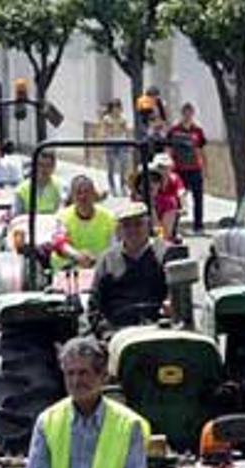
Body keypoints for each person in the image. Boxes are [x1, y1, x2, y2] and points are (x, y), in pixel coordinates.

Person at [23, 337, 150, 468]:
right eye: (70, 373)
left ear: (102, 376)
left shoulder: (129, 425)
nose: (76, 381)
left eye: (83, 373)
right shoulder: (47, 422)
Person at [91, 203, 168, 327]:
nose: (133, 230)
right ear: (119, 230)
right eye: (126, 226)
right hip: (116, 329)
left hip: (158, 326)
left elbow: (177, 297)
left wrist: (170, 306)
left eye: (138, 224)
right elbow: (95, 304)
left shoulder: (165, 255)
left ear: (148, 225)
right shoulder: (107, 260)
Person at [53, 176, 117, 269]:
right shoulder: (62, 216)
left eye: (87, 192)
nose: (83, 196)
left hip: (100, 268)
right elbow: (59, 242)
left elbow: (115, 246)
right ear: (72, 197)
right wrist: (77, 256)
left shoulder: (109, 217)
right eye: (78, 192)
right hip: (70, 268)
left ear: (94, 194)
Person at [168, 103, 207, 233]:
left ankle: (198, 226)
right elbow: (168, 149)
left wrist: (205, 167)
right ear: (182, 113)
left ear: (193, 114)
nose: (187, 116)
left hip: (195, 168)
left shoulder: (198, 131)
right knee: (178, 199)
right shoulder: (174, 130)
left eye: (190, 113)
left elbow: (201, 150)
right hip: (179, 169)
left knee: (198, 198)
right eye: (185, 113)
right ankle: (175, 226)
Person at [13, 150, 66, 215]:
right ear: (34, 166)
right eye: (40, 165)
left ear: (54, 167)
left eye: (48, 165)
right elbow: (16, 214)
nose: (44, 169)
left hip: (51, 223)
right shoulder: (21, 189)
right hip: (28, 224)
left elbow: (61, 210)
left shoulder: (60, 186)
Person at [100, 98, 129, 197]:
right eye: (114, 107)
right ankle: (112, 187)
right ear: (111, 109)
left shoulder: (123, 118)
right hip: (110, 143)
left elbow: (126, 131)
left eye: (118, 107)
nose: (116, 110)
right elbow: (103, 131)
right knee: (111, 167)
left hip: (121, 142)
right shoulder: (107, 118)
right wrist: (107, 135)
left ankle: (123, 185)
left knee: (123, 166)